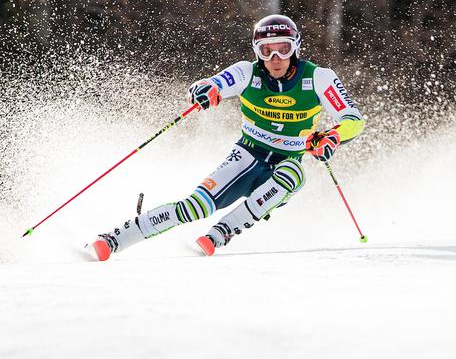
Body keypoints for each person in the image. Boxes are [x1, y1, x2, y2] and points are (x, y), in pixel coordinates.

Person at [88, 14, 365, 261]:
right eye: (266, 51)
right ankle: (114, 239)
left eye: (284, 49)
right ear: (257, 52)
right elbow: (214, 83)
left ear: (296, 48)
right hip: (248, 155)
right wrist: (205, 91)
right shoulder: (248, 71)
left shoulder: (318, 77)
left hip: (286, 160)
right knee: (195, 207)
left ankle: (222, 232)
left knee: (294, 174)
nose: (275, 59)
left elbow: (353, 120)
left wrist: (331, 137)